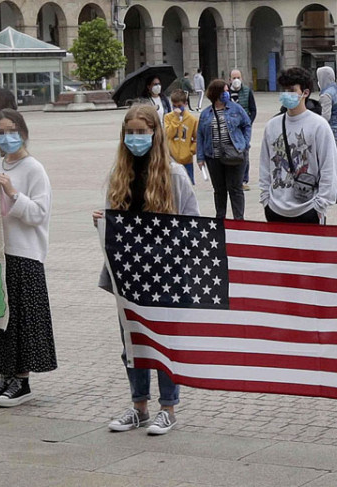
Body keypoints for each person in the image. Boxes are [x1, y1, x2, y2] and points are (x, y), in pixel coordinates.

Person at [92, 103, 199, 435]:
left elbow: (192, 222)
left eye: (142, 132)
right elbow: (114, 216)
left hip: (166, 274)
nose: (136, 138)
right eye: (130, 132)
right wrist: (103, 221)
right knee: (132, 340)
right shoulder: (118, 175)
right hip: (128, 272)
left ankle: (167, 407)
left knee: (164, 340)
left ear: (155, 133)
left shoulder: (174, 174)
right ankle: (139, 405)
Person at [0, 108, 56, 407]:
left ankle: (21, 380)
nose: (6, 137)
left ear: (22, 131)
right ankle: (3, 376)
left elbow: (39, 214)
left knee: (21, 319)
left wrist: (12, 193)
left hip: (24, 254)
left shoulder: (34, 168)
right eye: (0, 133)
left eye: (11, 131)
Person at [259, 67, 337, 224]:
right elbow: (264, 165)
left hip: (309, 209)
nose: (286, 94)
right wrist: (265, 199)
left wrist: (320, 205)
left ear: (305, 93)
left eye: (292, 90)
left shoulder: (319, 126)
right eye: (284, 90)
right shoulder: (272, 126)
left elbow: (329, 167)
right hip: (275, 209)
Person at [196, 79, 252, 219]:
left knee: (236, 189)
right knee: (219, 190)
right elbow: (200, 136)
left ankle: (239, 220)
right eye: (224, 91)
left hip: (236, 155)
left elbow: (247, 125)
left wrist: (244, 144)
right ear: (215, 93)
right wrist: (200, 157)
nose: (227, 94)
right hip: (213, 156)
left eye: (227, 91)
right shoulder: (205, 114)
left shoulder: (235, 108)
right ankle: (220, 220)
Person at [317, 66, 337, 203]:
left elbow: (325, 116)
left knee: (329, 162)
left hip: (330, 131)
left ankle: (335, 189)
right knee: (336, 160)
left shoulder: (326, 94)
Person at [228, 69, 257, 191]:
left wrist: (248, 123)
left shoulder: (247, 91)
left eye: (238, 77)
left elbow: (253, 109)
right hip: (230, 127)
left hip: (244, 128)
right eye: (234, 78)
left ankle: (244, 180)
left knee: (244, 153)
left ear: (242, 78)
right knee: (230, 152)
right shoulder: (226, 92)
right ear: (229, 79)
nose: (236, 80)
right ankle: (231, 180)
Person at [163, 90, 198, 184]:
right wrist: (175, 119)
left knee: (188, 184)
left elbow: (197, 138)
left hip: (186, 160)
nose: (176, 109)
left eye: (179, 106)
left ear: (185, 104)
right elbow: (168, 134)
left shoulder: (192, 120)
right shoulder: (168, 117)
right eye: (174, 106)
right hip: (172, 159)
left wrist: (191, 151)